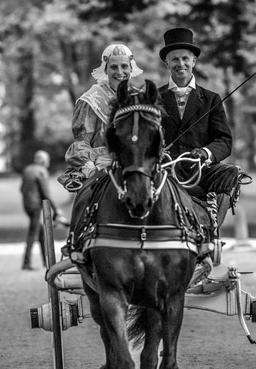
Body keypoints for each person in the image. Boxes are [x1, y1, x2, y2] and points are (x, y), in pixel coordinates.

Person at [158, 27, 240, 227]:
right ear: (166, 62)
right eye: (175, 59)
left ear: (194, 61)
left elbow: (224, 140)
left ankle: (210, 227)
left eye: (185, 58)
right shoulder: (154, 98)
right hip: (166, 173)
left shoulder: (211, 99)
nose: (181, 64)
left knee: (231, 173)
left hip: (201, 172)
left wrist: (205, 152)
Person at [58, 43, 144, 191]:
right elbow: (81, 144)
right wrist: (90, 168)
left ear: (131, 68)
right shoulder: (91, 101)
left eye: (124, 66)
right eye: (113, 67)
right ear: (105, 69)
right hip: (103, 166)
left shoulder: (140, 99)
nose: (120, 72)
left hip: (137, 163)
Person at [20, 150, 69, 270]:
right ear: (42, 161)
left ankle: (46, 262)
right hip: (36, 206)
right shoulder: (41, 171)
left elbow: (21, 188)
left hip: (27, 205)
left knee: (41, 232)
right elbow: (45, 193)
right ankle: (26, 263)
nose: (48, 163)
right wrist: (56, 209)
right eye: (47, 161)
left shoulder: (28, 170)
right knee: (33, 233)